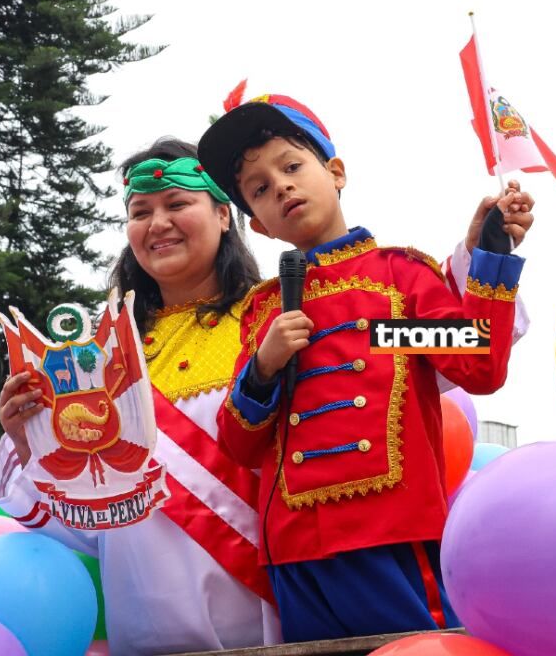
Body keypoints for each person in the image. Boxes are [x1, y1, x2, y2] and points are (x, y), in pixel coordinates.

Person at [198, 93, 531, 642]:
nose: (280, 186)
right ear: (258, 225)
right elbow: (238, 444)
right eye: (259, 189)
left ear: (336, 172)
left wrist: (492, 257)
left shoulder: (399, 281)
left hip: (393, 535)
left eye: (291, 166)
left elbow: (478, 368)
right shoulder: (264, 310)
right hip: (296, 551)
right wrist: (264, 368)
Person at [0, 138, 280, 655]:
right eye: (140, 212)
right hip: (144, 634)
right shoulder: (95, 359)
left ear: (221, 214)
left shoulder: (272, 322)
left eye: (177, 203)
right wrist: (28, 438)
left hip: (263, 625)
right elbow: (87, 526)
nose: (157, 223)